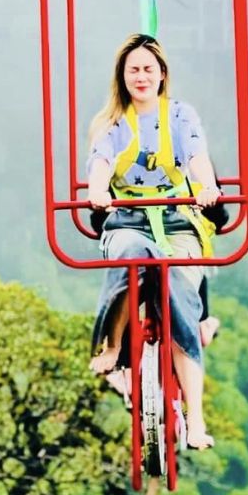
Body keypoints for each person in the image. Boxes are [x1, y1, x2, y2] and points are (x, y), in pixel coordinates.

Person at [86, 33, 219, 450]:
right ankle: (113, 342)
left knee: (179, 289)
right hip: (127, 218)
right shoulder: (110, 123)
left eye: (148, 69)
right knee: (131, 255)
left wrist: (207, 187)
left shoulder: (180, 117)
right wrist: (98, 191)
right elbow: (101, 163)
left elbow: (196, 156)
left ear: (162, 75)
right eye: (133, 71)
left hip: (175, 219)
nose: (141, 77)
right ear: (122, 78)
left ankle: (195, 419)